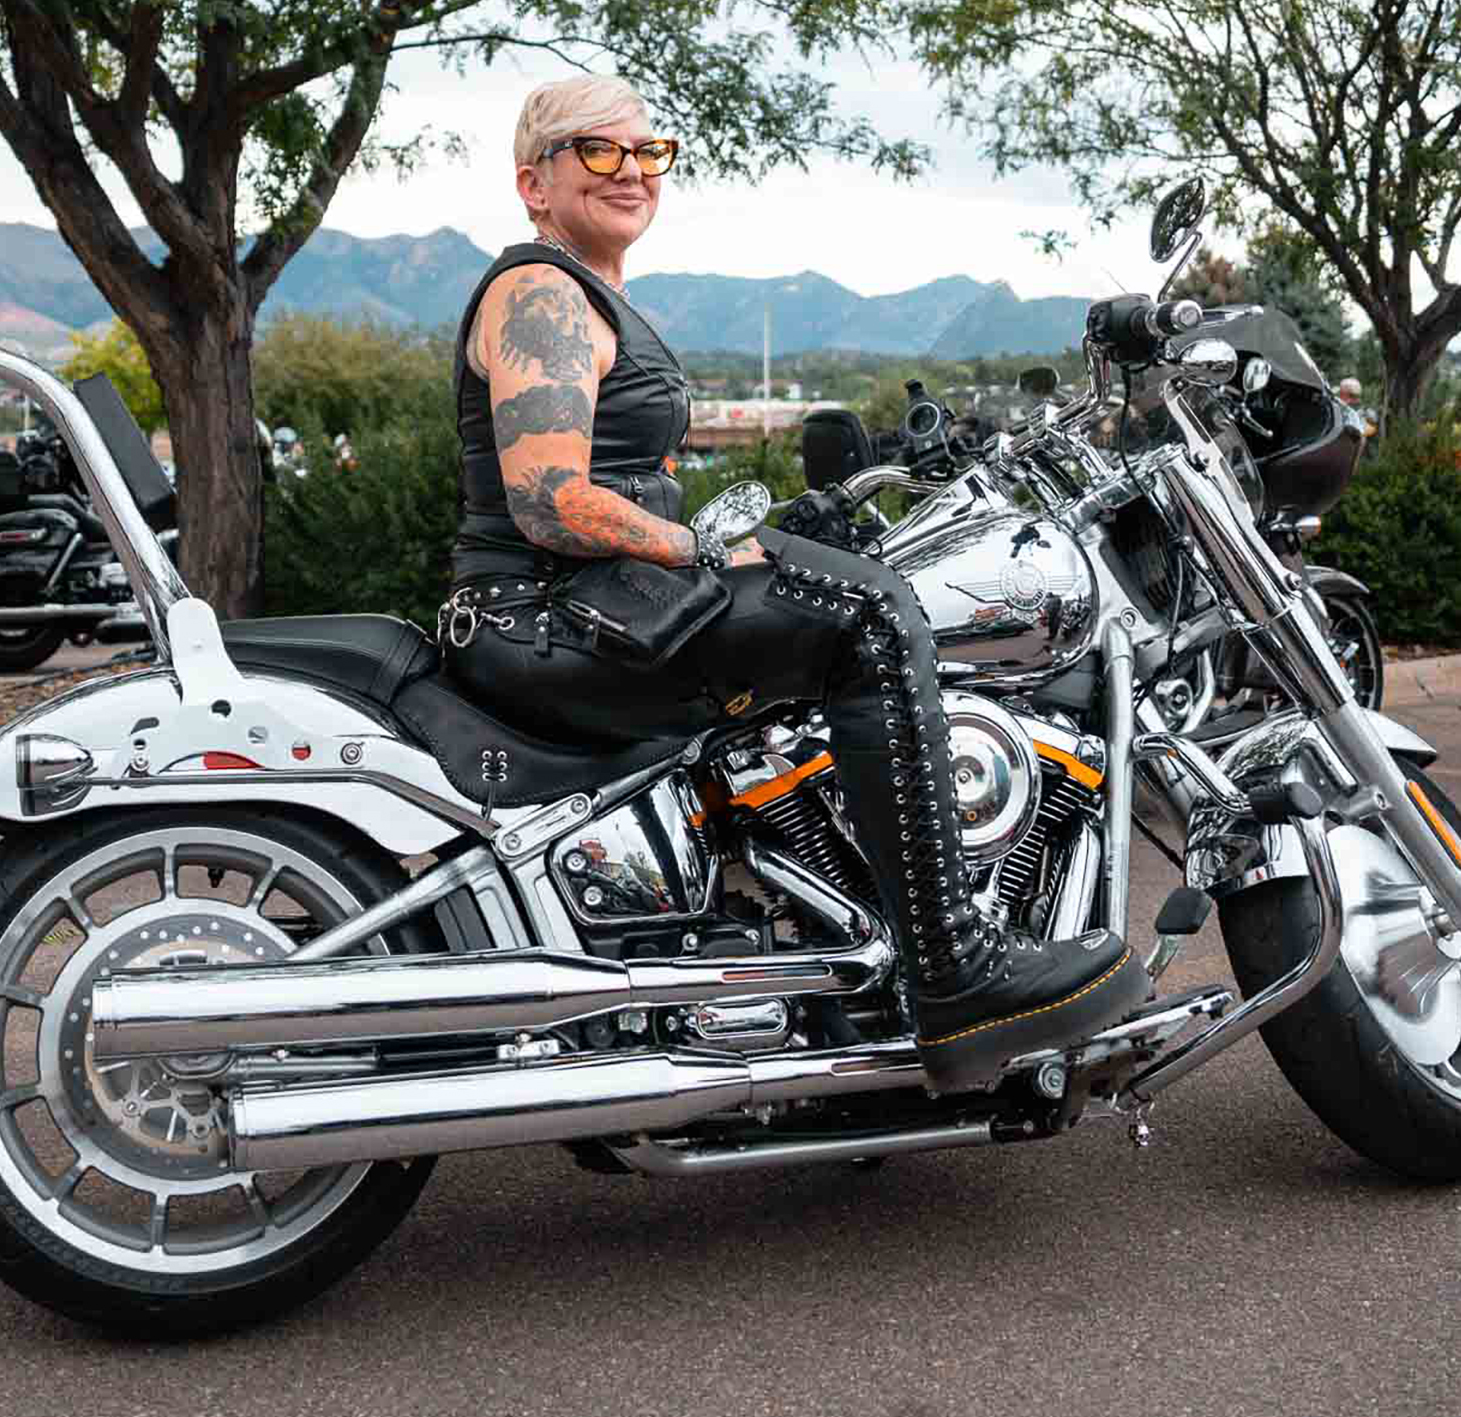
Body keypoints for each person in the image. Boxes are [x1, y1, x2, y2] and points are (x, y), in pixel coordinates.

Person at [437, 76, 1146, 1092]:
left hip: (575, 606)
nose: (633, 169)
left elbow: (614, 496)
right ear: (533, 183)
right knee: (868, 612)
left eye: (650, 150)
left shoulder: (587, 292)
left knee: (832, 579)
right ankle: (955, 971)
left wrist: (755, 536)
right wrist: (701, 550)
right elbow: (550, 499)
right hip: (544, 619)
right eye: (599, 151)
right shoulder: (540, 293)